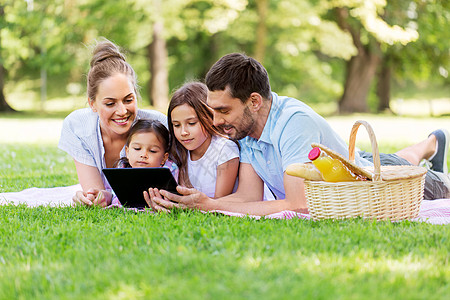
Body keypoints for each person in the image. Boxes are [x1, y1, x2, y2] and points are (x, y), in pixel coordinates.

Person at [144, 52, 450, 216]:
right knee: (400, 156)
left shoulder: (293, 124)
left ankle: (432, 145)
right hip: (361, 159)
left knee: (429, 179)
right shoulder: (246, 131)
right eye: (212, 111)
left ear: (253, 102)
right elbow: (249, 197)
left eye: (224, 111)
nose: (217, 121)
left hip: (369, 179)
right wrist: (201, 202)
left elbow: (298, 205)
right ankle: (431, 144)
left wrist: (211, 205)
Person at [58, 39, 167, 207]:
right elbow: (98, 196)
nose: (122, 111)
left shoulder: (157, 124)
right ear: (92, 104)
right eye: (110, 103)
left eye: (129, 99)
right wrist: (91, 197)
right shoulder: (78, 126)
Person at [156, 82, 239, 199]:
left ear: (208, 117)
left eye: (191, 123)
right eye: (177, 125)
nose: (183, 132)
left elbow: (219, 203)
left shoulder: (225, 149)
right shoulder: (180, 152)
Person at [110, 119, 178, 206]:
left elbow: (172, 197)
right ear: (127, 152)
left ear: (164, 158)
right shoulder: (122, 167)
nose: (143, 155)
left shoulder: (169, 169)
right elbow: (116, 196)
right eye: (137, 149)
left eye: (152, 151)